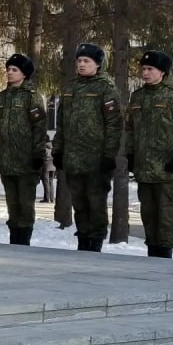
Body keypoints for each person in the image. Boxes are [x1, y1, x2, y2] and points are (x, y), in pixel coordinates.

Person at [126, 50, 173, 258]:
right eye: (143, 69)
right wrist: (131, 155)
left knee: (165, 219)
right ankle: (152, 257)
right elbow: (130, 128)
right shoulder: (138, 96)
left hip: (167, 170)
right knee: (148, 217)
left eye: (150, 69)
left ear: (162, 72)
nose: (145, 73)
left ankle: (165, 259)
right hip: (145, 170)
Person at [53, 43, 122, 252]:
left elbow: (114, 124)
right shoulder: (70, 88)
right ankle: (83, 239)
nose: (81, 65)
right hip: (74, 158)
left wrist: (109, 155)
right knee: (80, 203)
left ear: (97, 65)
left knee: (96, 202)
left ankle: (96, 241)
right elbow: (62, 123)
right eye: (79, 61)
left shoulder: (105, 88)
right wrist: (58, 150)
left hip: (96, 159)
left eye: (86, 61)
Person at [0, 53, 48, 246]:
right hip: (7, 162)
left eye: (14, 70)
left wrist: (38, 155)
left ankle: (23, 242)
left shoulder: (32, 98)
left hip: (26, 162)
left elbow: (39, 129)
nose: (9, 72)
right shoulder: (1, 98)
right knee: (12, 206)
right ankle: (14, 240)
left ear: (24, 74)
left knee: (25, 206)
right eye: (8, 69)